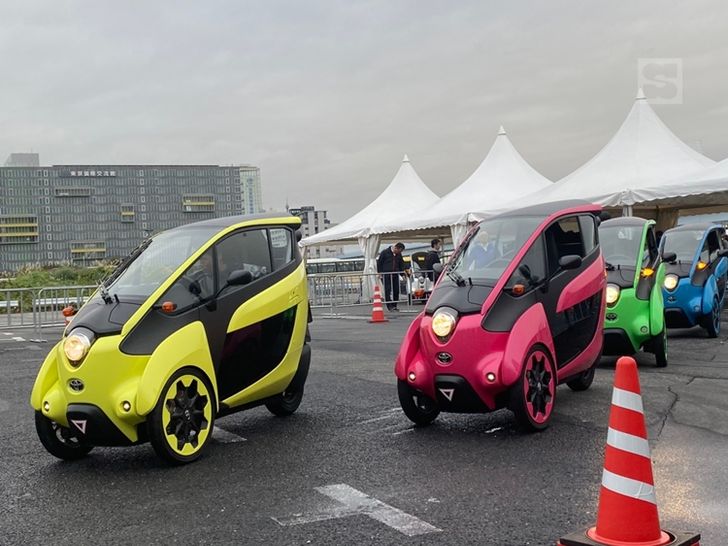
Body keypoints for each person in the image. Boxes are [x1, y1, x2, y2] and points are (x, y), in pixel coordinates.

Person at [376, 242, 409, 311]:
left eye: (400, 252)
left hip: (395, 274)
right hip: (386, 274)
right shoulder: (385, 252)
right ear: (396, 248)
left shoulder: (399, 254)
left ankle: (394, 305)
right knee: (387, 290)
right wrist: (379, 272)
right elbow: (379, 263)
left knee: (396, 290)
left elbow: (401, 264)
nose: (399, 253)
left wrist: (402, 274)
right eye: (399, 251)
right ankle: (389, 306)